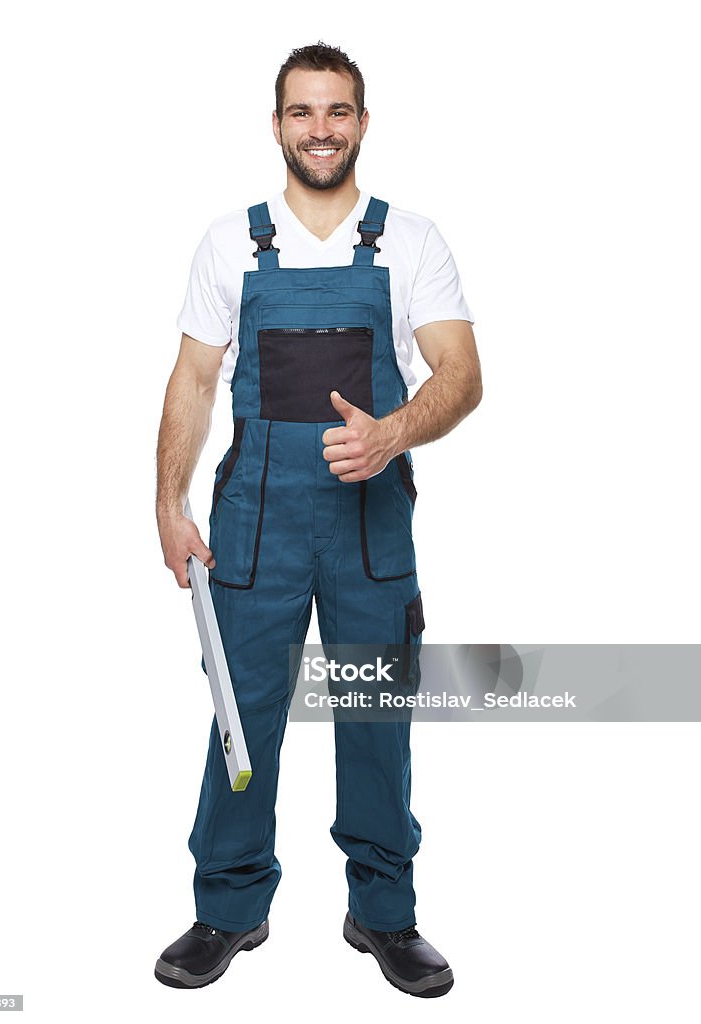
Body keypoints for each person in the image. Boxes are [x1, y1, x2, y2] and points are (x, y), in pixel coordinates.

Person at [154, 41, 482, 998]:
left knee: (375, 713)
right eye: (302, 112)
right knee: (239, 717)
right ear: (277, 124)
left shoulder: (409, 241)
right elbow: (193, 378)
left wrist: (390, 434)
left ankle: (382, 913)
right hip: (253, 516)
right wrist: (167, 502)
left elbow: (460, 376)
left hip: (370, 519)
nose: (320, 130)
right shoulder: (230, 242)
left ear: (362, 122)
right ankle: (228, 908)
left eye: (337, 111)